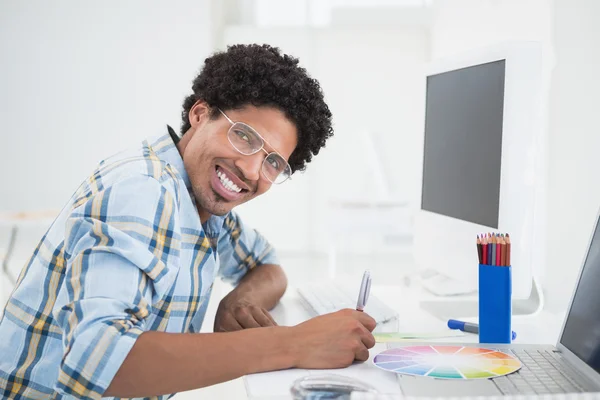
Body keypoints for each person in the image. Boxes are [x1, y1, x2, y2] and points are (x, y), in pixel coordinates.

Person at [0, 44, 376, 400]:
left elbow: (267, 266)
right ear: (199, 114)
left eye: (273, 162)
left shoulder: (201, 201)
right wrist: (295, 343)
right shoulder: (143, 190)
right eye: (243, 136)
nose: (251, 169)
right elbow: (96, 360)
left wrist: (239, 301)